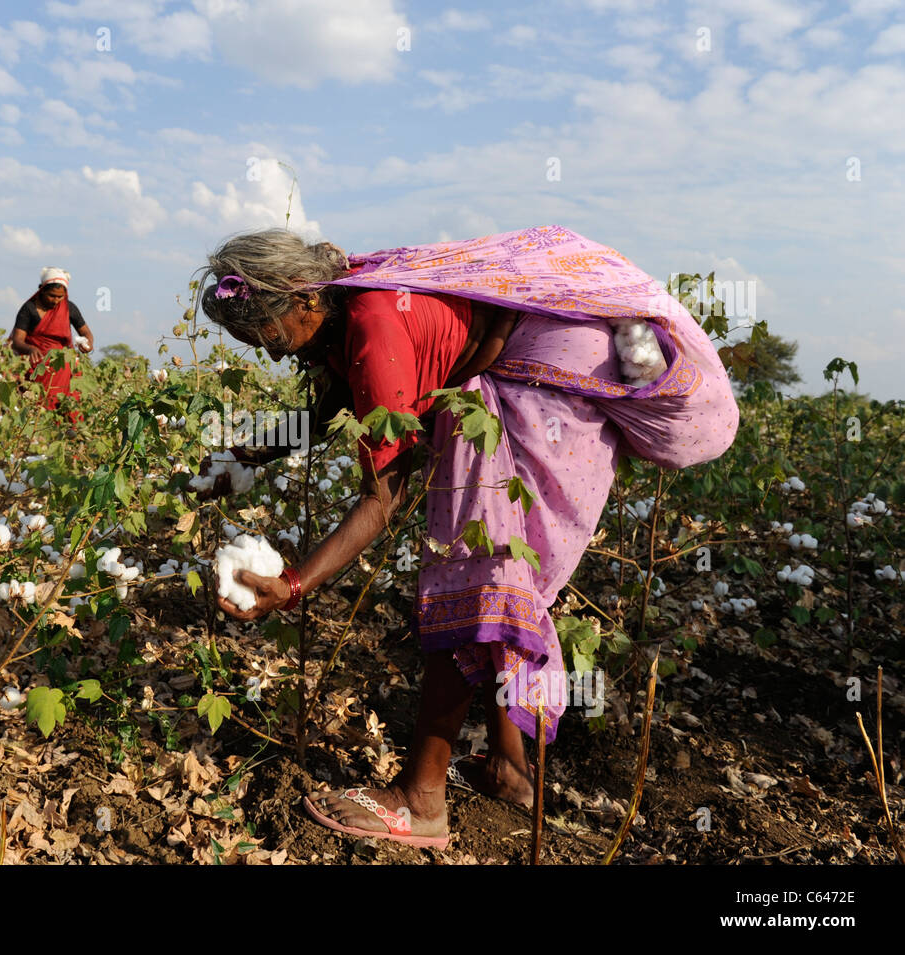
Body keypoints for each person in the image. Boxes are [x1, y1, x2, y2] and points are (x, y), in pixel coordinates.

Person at [194, 225, 739, 849]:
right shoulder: (352, 304)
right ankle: (509, 767)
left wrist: (294, 586)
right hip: (542, 362)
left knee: (475, 572)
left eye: (266, 336)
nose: (269, 354)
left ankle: (421, 801)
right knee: (501, 572)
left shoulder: (373, 322)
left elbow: (383, 493)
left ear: (302, 299)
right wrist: (249, 455)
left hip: (549, 384)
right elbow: (339, 402)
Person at [10, 267, 94, 419]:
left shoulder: (69, 308)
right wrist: (30, 349)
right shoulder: (29, 309)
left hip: (62, 364)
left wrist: (87, 345)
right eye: (52, 296)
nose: (56, 300)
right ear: (41, 290)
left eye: (60, 297)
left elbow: (86, 333)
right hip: (37, 364)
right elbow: (17, 341)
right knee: (35, 405)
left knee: (68, 406)